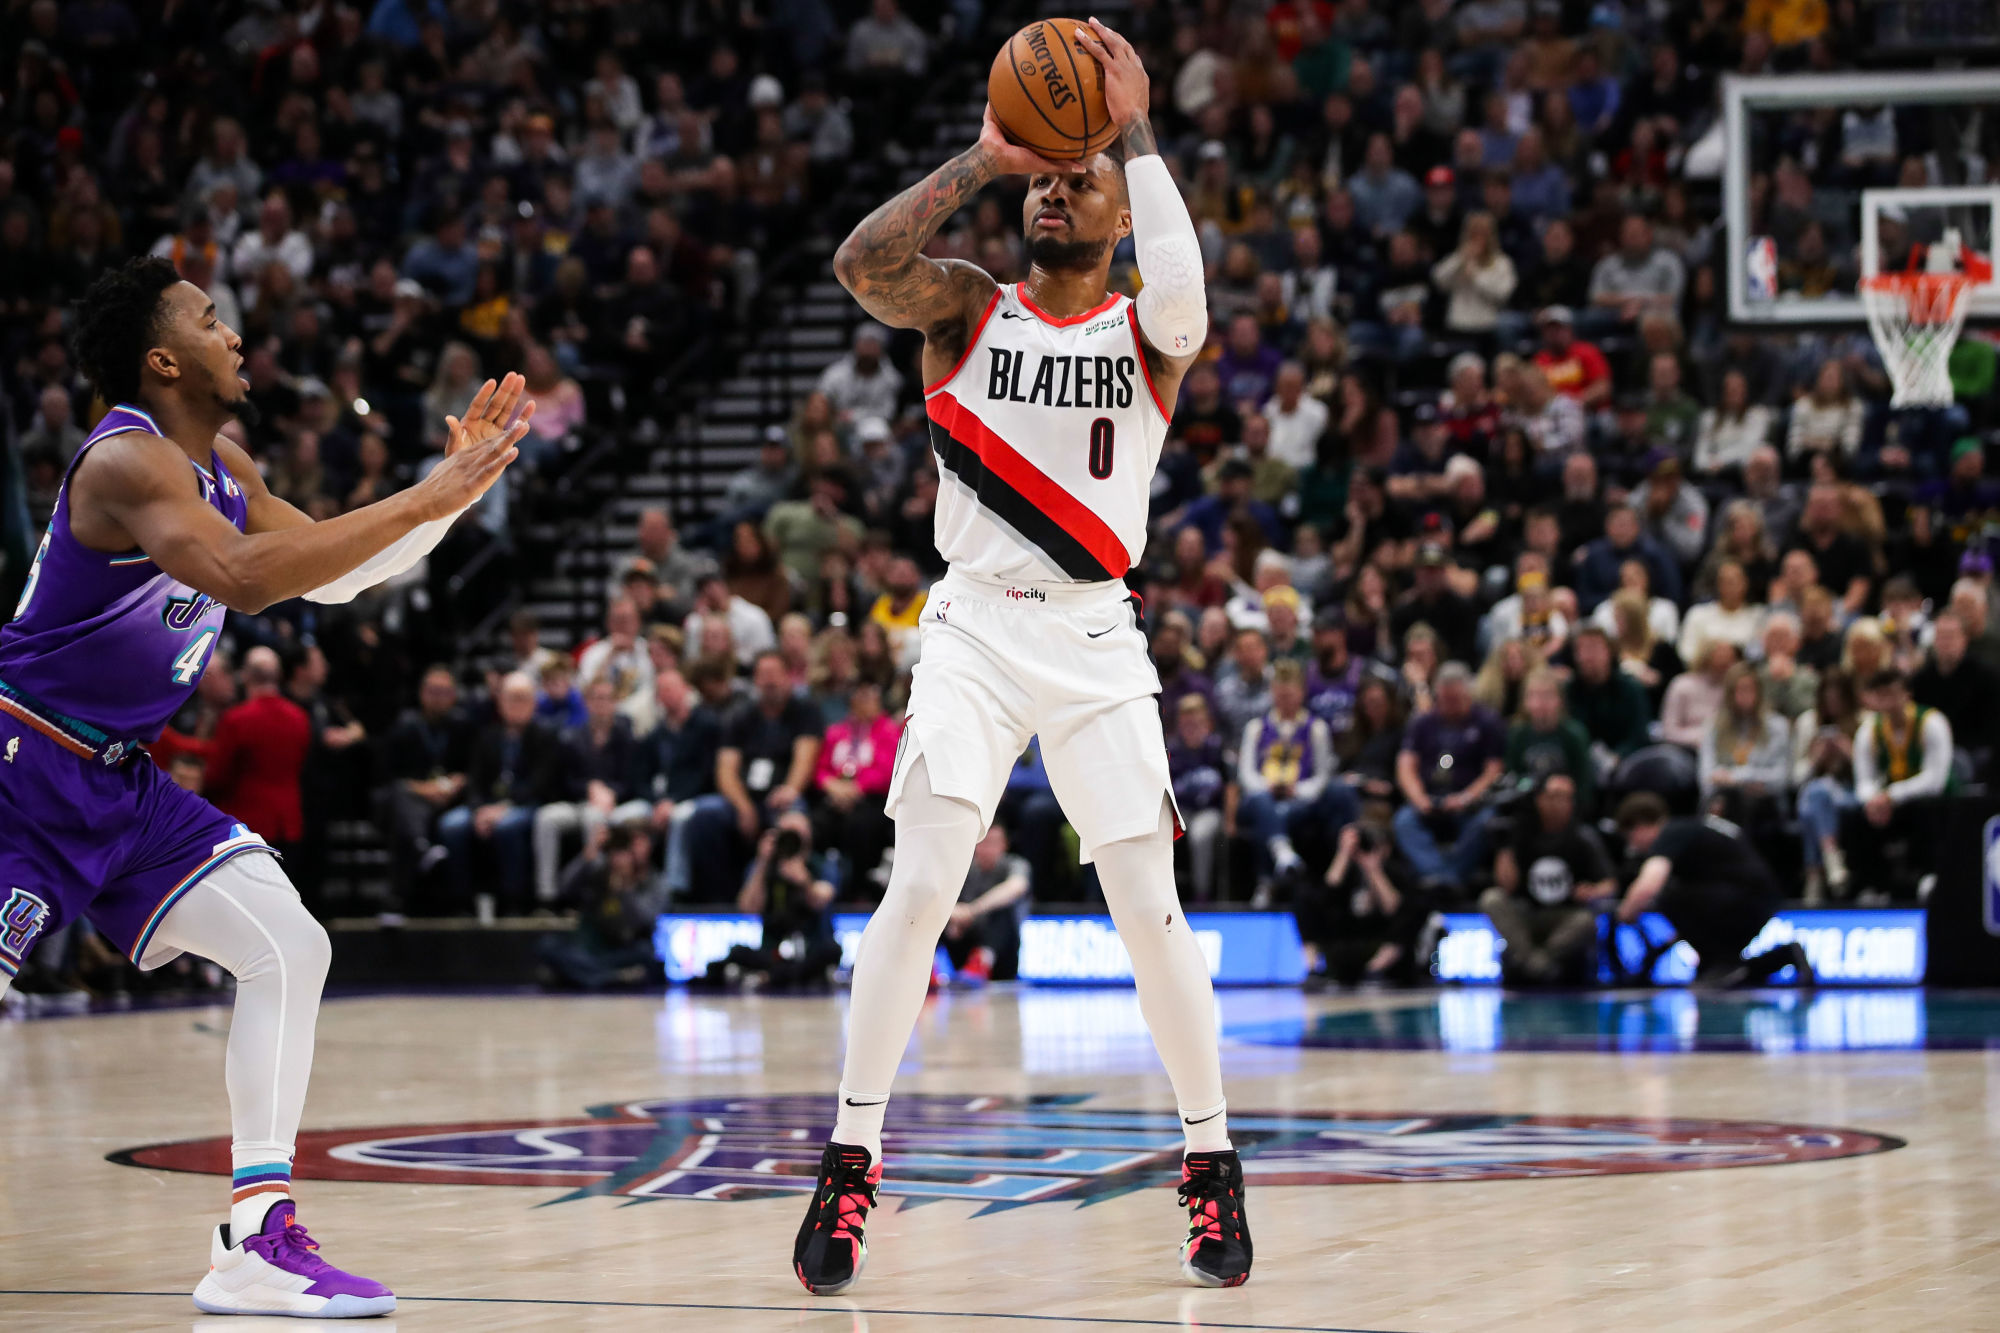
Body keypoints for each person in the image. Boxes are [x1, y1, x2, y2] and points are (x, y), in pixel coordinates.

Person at [794, 24, 1250, 1295]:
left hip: (1096, 631)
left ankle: (1209, 1159)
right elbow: (859, 264)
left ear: (1120, 210)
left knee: (1148, 910)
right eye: (1047, 174)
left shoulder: (1149, 332)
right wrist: (982, 158)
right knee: (919, 883)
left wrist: (1134, 126)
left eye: (1078, 175)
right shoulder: (964, 307)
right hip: (974, 627)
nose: (1056, 187)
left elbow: (1186, 294)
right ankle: (848, 1158)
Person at [0, 257, 527, 1315]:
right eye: (209, 320)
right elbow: (242, 580)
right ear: (163, 360)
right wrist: (424, 495)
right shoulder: (126, 461)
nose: (233, 334)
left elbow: (332, 575)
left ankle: (256, 1237)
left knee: (288, 943)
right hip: (22, 767)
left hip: (118, 780)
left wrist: (448, 498)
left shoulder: (225, 465)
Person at [1614, 794, 1815, 988]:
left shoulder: (1671, 832)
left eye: (1631, 838)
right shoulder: (1694, 827)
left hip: (1742, 900)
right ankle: (1783, 955)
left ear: (1640, 827)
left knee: (1669, 899)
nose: (1634, 847)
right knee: (1724, 971)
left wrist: (1625, 912)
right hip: (1759, 898)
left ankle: (1719, 964)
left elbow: (1649, 886)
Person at [438, 671, 563, 915]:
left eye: (522, 698)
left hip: (526, 804)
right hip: (487, 805)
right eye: (511, 698)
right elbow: (475, 781)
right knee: (451, 825)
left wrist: (503, 808)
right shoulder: (487, 736)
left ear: (534, 702)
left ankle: (513, 902)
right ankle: (461, 903)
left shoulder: (545, 736)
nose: (516, 704)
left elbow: (540, 784)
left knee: (507, 827)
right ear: (500, 702)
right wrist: (478, 810)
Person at [1481, 773, 1616, 984]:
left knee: (1585, 921)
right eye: (1554, 796)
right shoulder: (1521, 831)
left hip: (1564, 914)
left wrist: (1593, 891)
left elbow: (1610, 884)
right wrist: (1504, 846)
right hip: (1528, 912)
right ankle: (1538, 965)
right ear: (1540, 799)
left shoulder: (1583, 836)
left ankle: (1535, 964)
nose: (1560, 803)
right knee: (1492, 898)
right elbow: (1506, 885)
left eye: (1566, 797)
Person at [531, 676, 652, 906]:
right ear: (586, 702)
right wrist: (589, 788)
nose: (601, 704)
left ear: (615, 702)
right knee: (546, 818)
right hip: (579, 801)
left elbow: (633, 781)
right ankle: (546, 897)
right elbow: (563, 781)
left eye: (606, 698)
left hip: (616, 804)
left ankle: (594, 893)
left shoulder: (627, 737)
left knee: (594, 817)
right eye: (596, 698)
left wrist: (610, 792)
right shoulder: (571, 737)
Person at [1392, 661, 1506, 895]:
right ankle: (1442, 877)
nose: (1450, 706)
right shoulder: (1422, 722)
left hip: (1469, 803)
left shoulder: (1487, 722)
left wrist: (1466, 797)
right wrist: (1418, 798)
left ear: (1468, 694)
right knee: (1404, 821)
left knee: (1487, 821)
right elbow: (1405, 765)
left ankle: (1447, 878)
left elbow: (1494, 770)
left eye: (1456, 699)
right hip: (1430, 799)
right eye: (1445, 700)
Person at [1843, 669, 1955, 900]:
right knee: (1856, 816)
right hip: (1889, 805)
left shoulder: (1931, 723)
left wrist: (1892, 795)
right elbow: (1863, 780)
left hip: (1933, 800)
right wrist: (1874, 800)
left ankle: (1929, 876)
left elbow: (1935, 780)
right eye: (1882, 695)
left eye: (1893, 694)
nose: (1889, 702)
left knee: (1926, 812)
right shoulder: (1870, 730)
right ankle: (1871, 885)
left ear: (1907, 694)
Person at [204, 645, 311, 866]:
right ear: (279, 675)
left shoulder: (236, 720)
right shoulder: (300, 717)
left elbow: (217, 776)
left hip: (246, 825)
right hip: (289, 822)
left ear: (245, 676)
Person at [537, 825, 660, 990]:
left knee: (646, 953)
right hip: (591, 949)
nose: (620, 858)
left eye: (626, 851)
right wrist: (588, 854)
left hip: (622, 950)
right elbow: (564, 888)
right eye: (616, 851)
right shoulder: (598, 873)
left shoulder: (652, 881)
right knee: (548, 945)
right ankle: (610, 977)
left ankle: (584, 975)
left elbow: (645, 921)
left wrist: (625, 890)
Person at [944, 824, 1032, 983]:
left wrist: (972, 910)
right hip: (962, 939)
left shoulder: (1014, 864)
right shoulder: (963, 866)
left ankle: (982, 961)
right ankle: (930, 967)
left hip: (1002, 951)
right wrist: (952, 913)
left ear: (1004, 845)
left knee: (1003, 912)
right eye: (982, 842)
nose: (987, 849)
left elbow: (1017, 886)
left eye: (993, 843)